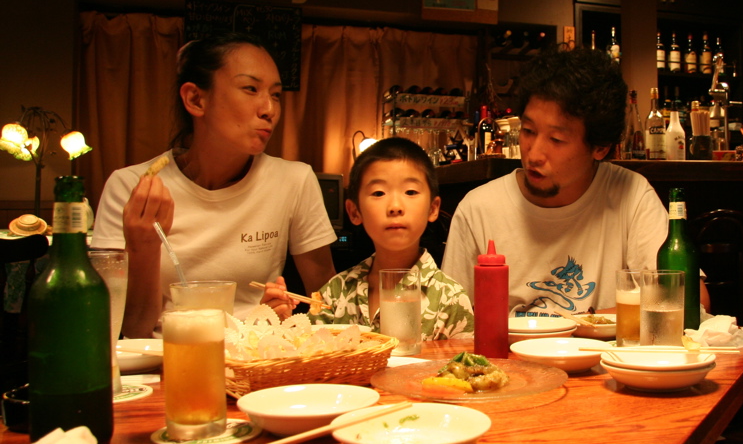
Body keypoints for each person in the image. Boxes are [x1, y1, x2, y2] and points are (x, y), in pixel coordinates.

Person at [91, 32, 337, 338]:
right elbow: (133, 330)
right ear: (196, 99)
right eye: (250, 88)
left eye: (275, 95)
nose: (269, 109)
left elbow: (329, 305)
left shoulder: (293, 180)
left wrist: (273, 318)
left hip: (258, 357)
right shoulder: (131, 187)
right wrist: (144, 247)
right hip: (165, 360)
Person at [441, 45, 710, 316]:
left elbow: (691, 302)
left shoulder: (630, 195)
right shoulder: (478, 210)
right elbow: (450, 323)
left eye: (556, 140)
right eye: (528, 130)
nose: (534, 154)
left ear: (600, 148)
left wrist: (580, 327)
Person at [305, 137, 473, 340]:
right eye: (378, 193)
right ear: (354, 211)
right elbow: (308, 357)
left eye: (410, 191)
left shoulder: (451, 299)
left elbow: (464, 368)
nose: (395, 206)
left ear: (433, 208)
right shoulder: (334, 293)